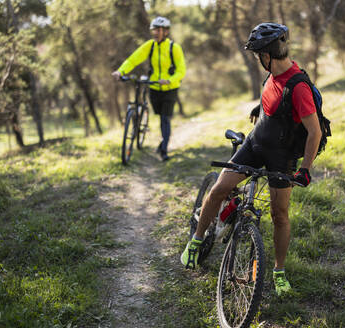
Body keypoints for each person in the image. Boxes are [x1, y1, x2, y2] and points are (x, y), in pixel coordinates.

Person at [180, 22, 322, 296]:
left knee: (279, 215)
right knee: (220, 189)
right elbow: (274, 98)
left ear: (267, 55)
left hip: (281, 157)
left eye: (259, 55)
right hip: (255, 144)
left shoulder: (300, 87)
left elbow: (314, 131)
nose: (259, 60)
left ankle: (279, 272)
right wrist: (260, 106)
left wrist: (305, 169)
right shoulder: (272, 76)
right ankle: (197, 240)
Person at [112, 16, 186, 161]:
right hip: (154, 87)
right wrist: (120, 71)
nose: (157, 32)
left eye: (160, 30)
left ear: (166, 32)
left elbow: (181, 70)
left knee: (165, 118)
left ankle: (164, 150)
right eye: (155, 30)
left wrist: (169, 80)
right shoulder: (150, 46)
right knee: (159, 115)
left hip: (170, 89)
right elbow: (133, 59)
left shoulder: (174, 48)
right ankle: (161, 141)